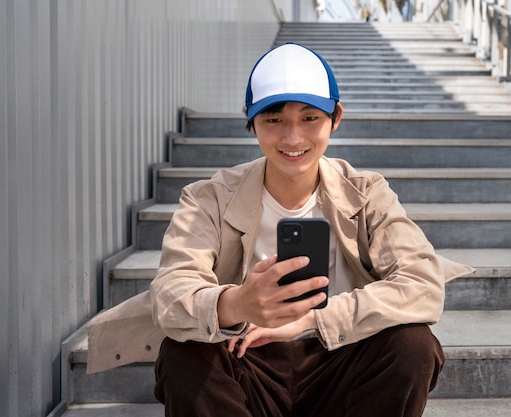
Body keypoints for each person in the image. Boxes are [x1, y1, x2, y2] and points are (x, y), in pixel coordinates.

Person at [147, 42, 473, 417]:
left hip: (340, 356)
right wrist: (236, 304)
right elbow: (170, 293)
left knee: (413, 345)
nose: (292, 138)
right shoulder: (209, 199)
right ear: (251, 123)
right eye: (273, 120)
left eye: (309, 118)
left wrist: (311, 320)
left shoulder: (366, 193)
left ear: (335, 118)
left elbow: (422, 284)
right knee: (181, 353)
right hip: (246, 358)